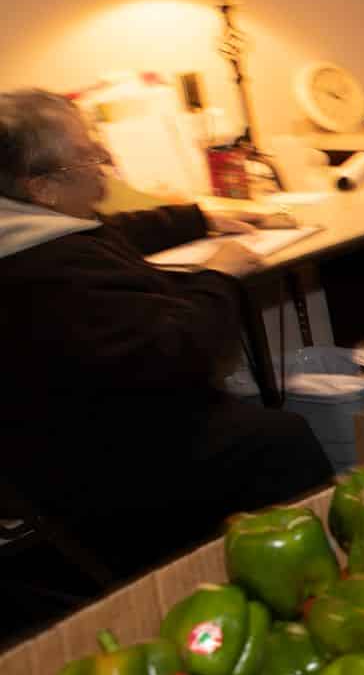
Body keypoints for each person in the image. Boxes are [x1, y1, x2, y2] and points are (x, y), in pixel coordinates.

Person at [0, 89, 333, 577]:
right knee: (279, 438)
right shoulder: (52, 272)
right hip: (101, 464)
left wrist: (198, 218)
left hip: (78, 428)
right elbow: (180, 351)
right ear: (42, 187)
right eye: (87, 155)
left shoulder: (26, 230)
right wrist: (218, 277)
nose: (105, 161)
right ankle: (300, 579)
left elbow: (109, 234)